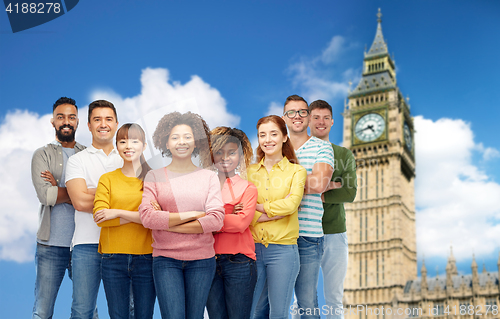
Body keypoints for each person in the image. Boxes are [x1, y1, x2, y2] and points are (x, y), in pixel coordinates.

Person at [139, 111, 225, 319]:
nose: (182, 142)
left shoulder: (208, 177)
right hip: (166, 259)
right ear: (165, 143)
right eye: (175, 137)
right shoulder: (154, 176)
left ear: (196, 141)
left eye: (187, 137)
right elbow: (147, 217)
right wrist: (195, 214)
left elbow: (216, 219)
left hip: (202, 260)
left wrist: (166, 221)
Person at [66, 100, 123, 319]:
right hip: (86, 244)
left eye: (108, 119)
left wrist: (94, 191)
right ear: (88, 125)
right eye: (97, 119)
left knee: (125, 311)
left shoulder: (129, 159)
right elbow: (79, 202)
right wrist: (118, 196)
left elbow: (139, 201)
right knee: (82, 311)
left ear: (116, 123)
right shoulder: (77, 161)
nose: (103, 124)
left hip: (122, 243)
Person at [93, 123, 155, 319]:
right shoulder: (107, 179)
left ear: (144, 146)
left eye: (134, 141)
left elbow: (156, 220)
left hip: (147, 257)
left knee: (144, 315)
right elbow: (101, 218)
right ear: (117, 146)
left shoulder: (154, 179)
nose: (128, 146)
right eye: (122, 141)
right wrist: (141, 216)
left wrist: (118, 212)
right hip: (113, 257)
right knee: (118, 315)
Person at [31, 97, 86, 319]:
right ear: (52, 121)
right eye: (60, 117)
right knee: (42, 312)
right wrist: (77, 194)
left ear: (78, 122)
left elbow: (99, 196)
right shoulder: (41, 155)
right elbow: (46, 195)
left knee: (87, 312)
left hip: (84, 245)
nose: (66, 121)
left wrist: (59, 187)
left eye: (71, 117)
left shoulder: (88, 155)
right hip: (50, 245)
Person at [247, 115, 307, 319]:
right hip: (252, 250)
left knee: (278, 314)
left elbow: (291, 205)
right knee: (252, 312)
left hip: (283, 251)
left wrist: (257, 208)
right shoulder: (248, 172)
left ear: (284, 137)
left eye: (273, 134)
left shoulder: (296, 171)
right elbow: (241, 211)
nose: (267, 139)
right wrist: (273, 213)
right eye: (262, 135)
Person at [282, 95, 334, 319]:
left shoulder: (322, 148)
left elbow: (320, 183)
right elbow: (260, 187)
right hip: (277, 234)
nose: (297, 117)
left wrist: (281, 183)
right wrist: (305, 178)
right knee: (266, 301)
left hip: (308, 235)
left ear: (308, 117)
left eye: (302, 112)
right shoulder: (275, 147)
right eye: (291, 112)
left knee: (307, 302)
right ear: (284, 117)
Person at [309, 100, 357, 319]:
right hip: (303, 232)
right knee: (305, 296)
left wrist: (318, 189)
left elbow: (349, 192)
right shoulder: (296, 152)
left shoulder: (344, 154)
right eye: (316, 117)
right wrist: (331, 184)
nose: (321, 122)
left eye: (326, 118)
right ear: (308, 120)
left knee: (334, 297)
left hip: (335, 233)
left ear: (332, 121)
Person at [205, 127, 258, 319]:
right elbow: (193, 220)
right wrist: (227, 211)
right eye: (219, 152)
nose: (225, 157)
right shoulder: (203, 187)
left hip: (240, 262)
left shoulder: (248, 188)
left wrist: (209, 219)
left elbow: (240, 223)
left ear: (241, 155)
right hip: (208, 261)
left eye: (232, 152)